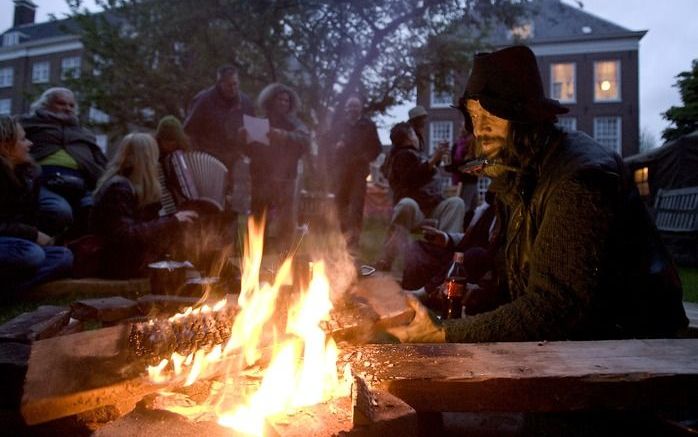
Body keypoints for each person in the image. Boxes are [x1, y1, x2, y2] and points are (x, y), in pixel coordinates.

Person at [388, 45, 688, 343]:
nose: (480, 130)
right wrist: (480, 296)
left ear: (524, 116)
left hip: (633, 336)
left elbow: (554, 307)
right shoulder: (521, 171)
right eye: (474, 117)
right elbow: (522, 284)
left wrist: (443, 334)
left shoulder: (579, 179)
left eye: (491, 114)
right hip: (591, 331)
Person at [89, 133, 198, 279]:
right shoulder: (118, 188)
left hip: (121, 258)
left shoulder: (127, 183)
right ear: (147, 158)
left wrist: (173, 219)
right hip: (115, 264)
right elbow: (125, 236)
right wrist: (172, 221)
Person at [375, 122, 465, 271]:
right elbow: (410, 178)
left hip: (432, 208)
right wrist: (432, 161)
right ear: (409, 138)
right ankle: (386, 258)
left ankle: (443, 252)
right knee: (407, 204)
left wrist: (434, 160)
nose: (417, 137)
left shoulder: (416, 155)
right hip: (416, 212)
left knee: (456, 203)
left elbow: (422, 172)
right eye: (414, 134)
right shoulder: (400, 157)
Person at [20, 87, 107, 237]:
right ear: (44, 105)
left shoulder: (84, 133)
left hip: (82, 185)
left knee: (96, 210)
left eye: (71, 105)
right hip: (42, 182)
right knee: (59, 211)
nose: (67, 108)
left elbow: (101, 162)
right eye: (61, 103)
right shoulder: (26, 125)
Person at [0, 116, 73, 294]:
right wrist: (33, 234)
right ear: (5, 145)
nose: (30, 144)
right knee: (32, 254)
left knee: (63, 256)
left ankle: (9, 290)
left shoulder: (28, 173)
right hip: (8, 242)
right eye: (23, 139)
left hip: (15, 242)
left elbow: (28, 216)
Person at [242, 83, 310, 249]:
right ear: (271, 101)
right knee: (258, 218)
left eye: (287, 100)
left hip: (286, 178)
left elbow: (305, 140)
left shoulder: (295, 124)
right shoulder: (260, 122)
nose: (283, 103)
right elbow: (249, 150)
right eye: (280, 99)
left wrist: (283, 136)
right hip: (261, 177)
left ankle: (284, 256)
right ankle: (256, 255)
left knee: (286, 221)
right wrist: (244, 136)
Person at [183, 65, 255, 194]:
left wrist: (246, 135)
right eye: (229, 85)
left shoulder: (245, 102)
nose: (233, 88)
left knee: (231, 201)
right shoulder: (203, 100)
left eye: (235, 84)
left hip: (234, 160)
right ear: (220, 83)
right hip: (208, 159)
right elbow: (189, 131)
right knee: (209, 198)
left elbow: (254, 134)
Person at [327, 96, 382, 252]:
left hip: (359, 172)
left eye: (356, 106)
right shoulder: (339, 126)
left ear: (361, 108)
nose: (353, 109)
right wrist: (336, 149)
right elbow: (328, 145)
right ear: (346, 109)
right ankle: (343, 237)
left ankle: (353, 243)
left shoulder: (368, 126)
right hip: (341, 172)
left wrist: (364, 158)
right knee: (340, 206)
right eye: (350, 106)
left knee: (356, 207)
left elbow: (377, 148)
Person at [155, 115, 191, 212]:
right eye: (166, 141)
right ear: (159, 139)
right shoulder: (153, 154)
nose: (170, 145)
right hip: (162, 199)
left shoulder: (184, 152)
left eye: (173, 141)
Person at [444, 125, 479, 211]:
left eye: (464, 126)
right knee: (465, 209)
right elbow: (447, 167)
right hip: (458, 183)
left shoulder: (476, 144)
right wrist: (446, 153)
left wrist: (458, 166)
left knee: (468, 209)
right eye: (461, 126)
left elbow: (477, 164)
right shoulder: (456, 145)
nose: (461, 128)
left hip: (470, 182)